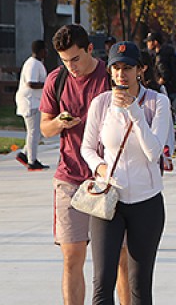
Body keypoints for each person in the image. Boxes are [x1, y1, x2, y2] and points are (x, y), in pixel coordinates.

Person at [39, 24, 129, 305]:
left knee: (121, 259)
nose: (71, 67)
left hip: (110, 179)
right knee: (71, 258)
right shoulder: (57, 80)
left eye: (75, 59)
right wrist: (58, 122)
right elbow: (45, 128)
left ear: (91, 49)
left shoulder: (110, 77)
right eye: (64, 60)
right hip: (69, 177)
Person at [81, 41, 170, 304]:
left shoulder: (158, 102)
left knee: (139, 285)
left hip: (147, 201)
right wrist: (100, 166)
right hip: (109, 200)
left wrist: (134, 110)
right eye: (116, 68)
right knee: (102, 282)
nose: (122, 74)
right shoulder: (101, 103)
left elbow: (154, 153)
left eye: (128, 68)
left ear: (140, 70)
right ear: (109, 71)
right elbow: (87, 148)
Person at [15, 39, 49, 171]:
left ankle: (24, 154)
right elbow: (31, 83)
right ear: (40, 51)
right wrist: (48, 85)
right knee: (33, 132)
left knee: (38, 132)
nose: (47, 52)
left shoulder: (37, 63)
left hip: (35, 101)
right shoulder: (33, 64)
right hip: (30, 102)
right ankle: (32, 161)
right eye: (45, 49)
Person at [144, 32, 176, 103]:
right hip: (172, 88)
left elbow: (164, 75)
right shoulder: (167, 52)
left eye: (149, 41)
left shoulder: (161, 57)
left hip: (166, 90)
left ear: (155, 42)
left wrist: (156, 86)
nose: (147, 44)